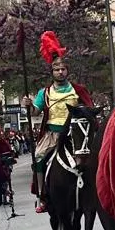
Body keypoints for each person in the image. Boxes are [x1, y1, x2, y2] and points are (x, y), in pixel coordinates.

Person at [25, 40, 93, 214]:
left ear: (67, 70)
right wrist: (29, 105)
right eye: (57, 69)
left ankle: (94, 191)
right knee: (38, 159)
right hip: (52, 134)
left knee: (91, 159)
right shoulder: (45, 93)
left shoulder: (78, 90)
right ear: (52, 72)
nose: (60, 72)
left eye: (63, 69)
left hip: (74, 134)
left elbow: (89, 110)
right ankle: (42, 196)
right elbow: (35, 112)